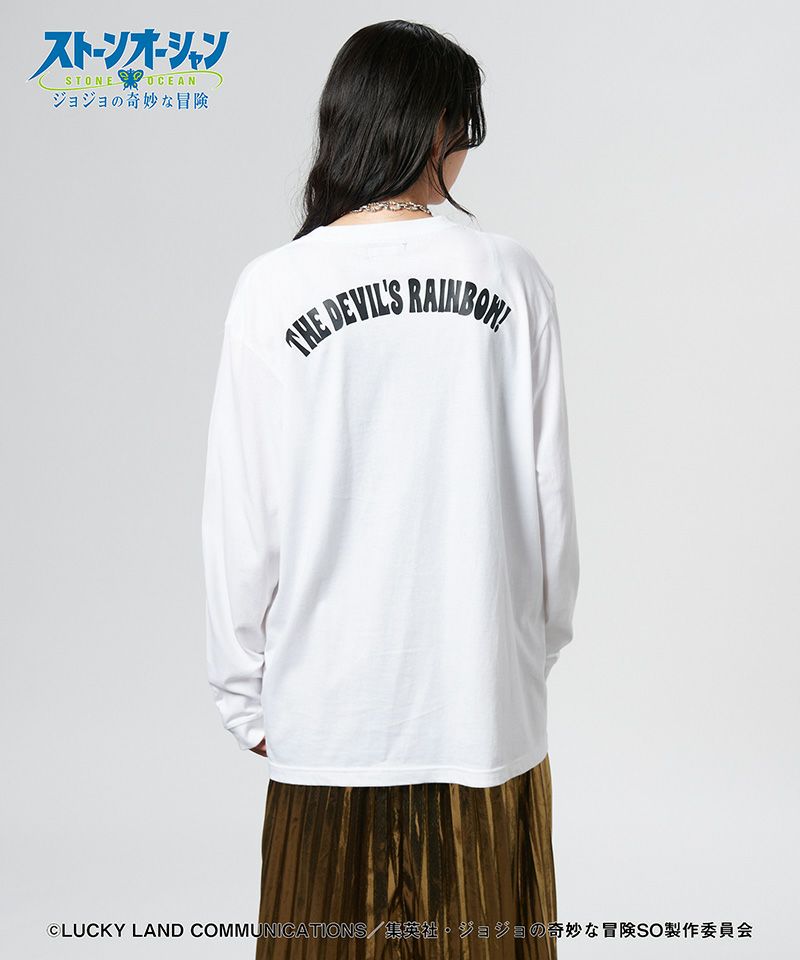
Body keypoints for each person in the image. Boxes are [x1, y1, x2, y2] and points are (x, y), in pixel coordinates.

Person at [201, 18, 580, 960]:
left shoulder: (273, 286)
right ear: (436, 126)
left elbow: (241, 512)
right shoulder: (511, 276)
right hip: (483, 706)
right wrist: (524, 657)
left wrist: (244, 693)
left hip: (328, 711)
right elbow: (551, 502)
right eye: (463, 127)